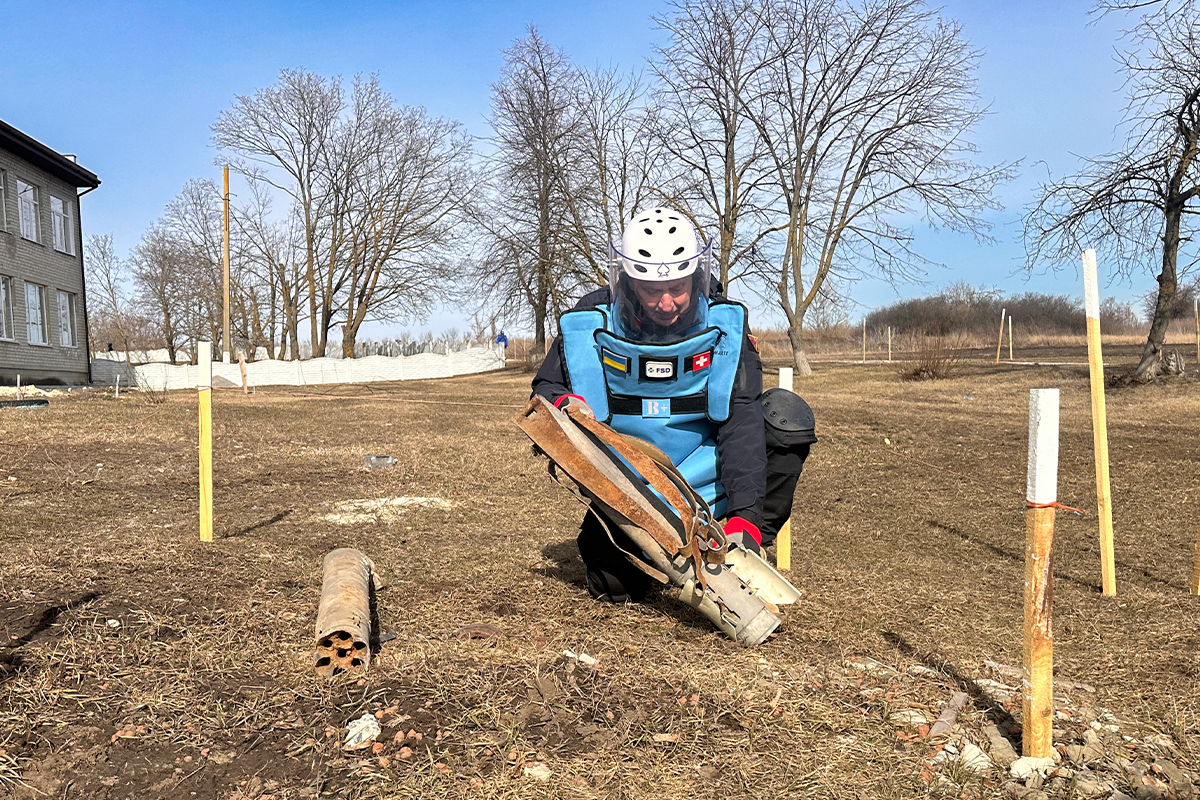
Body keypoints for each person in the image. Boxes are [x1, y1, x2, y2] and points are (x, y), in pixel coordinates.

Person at [532, 207, 814, 602]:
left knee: (784, 417)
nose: (666, 303)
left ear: (695, 277)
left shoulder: (724, 324)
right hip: (634, 488)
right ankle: (655, 549)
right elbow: (545, 388)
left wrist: (746, 519)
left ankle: (742, 547)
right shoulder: (589, 321)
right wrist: (565, 402)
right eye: (651, 291)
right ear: (629, 281)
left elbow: (742, 423)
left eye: (678, 288)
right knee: (614, 588)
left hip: (709, 479)